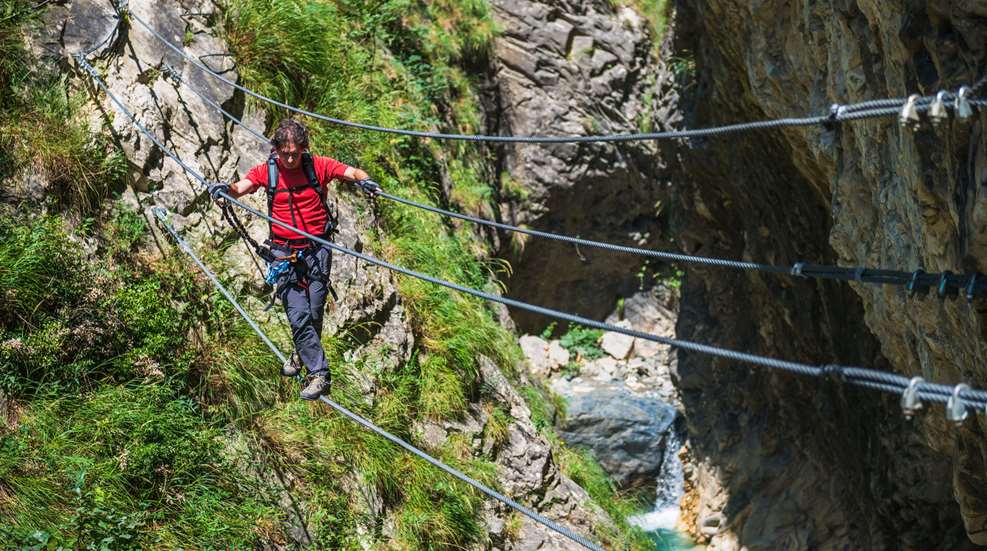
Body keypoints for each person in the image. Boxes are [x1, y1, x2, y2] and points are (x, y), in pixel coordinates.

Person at [208, 119, 381, 400]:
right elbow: (241, 187)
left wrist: (365, 180)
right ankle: (320, 374)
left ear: (304, 149)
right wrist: (222, 189)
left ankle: (301, 353)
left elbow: (349, 171)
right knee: (298, 315)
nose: (290, 158)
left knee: (313, 314)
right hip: (283, 253)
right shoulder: (268, 170)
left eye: (295, 153)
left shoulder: (317, 166)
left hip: (317, 250)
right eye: (284, 152)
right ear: (276, 149)